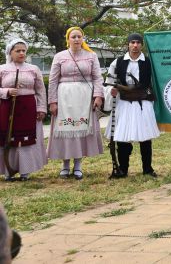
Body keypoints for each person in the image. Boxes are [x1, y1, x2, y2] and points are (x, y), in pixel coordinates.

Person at [47, 27, 104, 180]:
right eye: (73, 37)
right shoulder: (59, 56)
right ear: (68, 39)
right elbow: (52, 80)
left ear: (83, 38)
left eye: (79, 36)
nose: (77, 39)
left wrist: (98, 96)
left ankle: (78, 165)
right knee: (65, 129)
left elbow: (98, 78)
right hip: (64, 96)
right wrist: (52, 101)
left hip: (85, 97)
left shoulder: (91, 56)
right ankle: (65, 165)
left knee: (81, 130)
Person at [105, 33, 160, 178]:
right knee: (122, 136)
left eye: (138, 43)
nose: (135, 45)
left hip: (143, 101)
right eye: (132, 42)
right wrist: (112, 89)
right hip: (124, 102)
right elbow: (110, 79)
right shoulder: (118, 62)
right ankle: (122, 169)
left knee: (145, 137)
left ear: (142, 45)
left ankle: (147, 169)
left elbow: (155, 81)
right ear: (128, 44)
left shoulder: (148, 62)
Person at [0, 39, 47, 181]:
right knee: (8, 138)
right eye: (18, 51)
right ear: (10, 52)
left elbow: (40, 90)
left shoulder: (33, 69)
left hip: (28, 108)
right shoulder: (2, 69)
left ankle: (25, 171)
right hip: (8, 108)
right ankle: (8, 170)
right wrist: (7, 91)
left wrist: (41, 108)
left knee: (26, 139)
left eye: (23, 50)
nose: (21, 53)